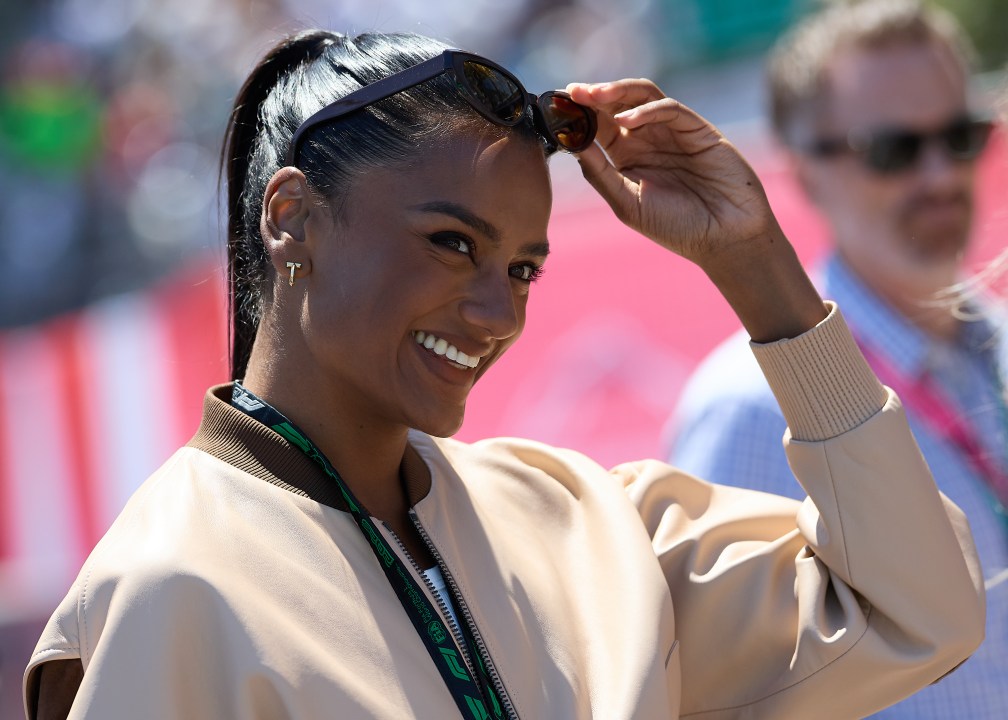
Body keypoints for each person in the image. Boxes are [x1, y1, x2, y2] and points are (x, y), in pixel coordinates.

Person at [23, 28, 984, 720]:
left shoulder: (585, 520)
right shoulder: (168, 591)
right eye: (451, 244)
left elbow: (918, 612)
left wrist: (757, 266)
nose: (498, 313)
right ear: (292, 218)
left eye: (523, 269)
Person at [664, 1, 1006, 716]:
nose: (941, 174)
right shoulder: (751, 403)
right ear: (806, 173)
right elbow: (718, 687)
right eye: (893, 149)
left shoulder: (997, 342)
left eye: (960, 135)